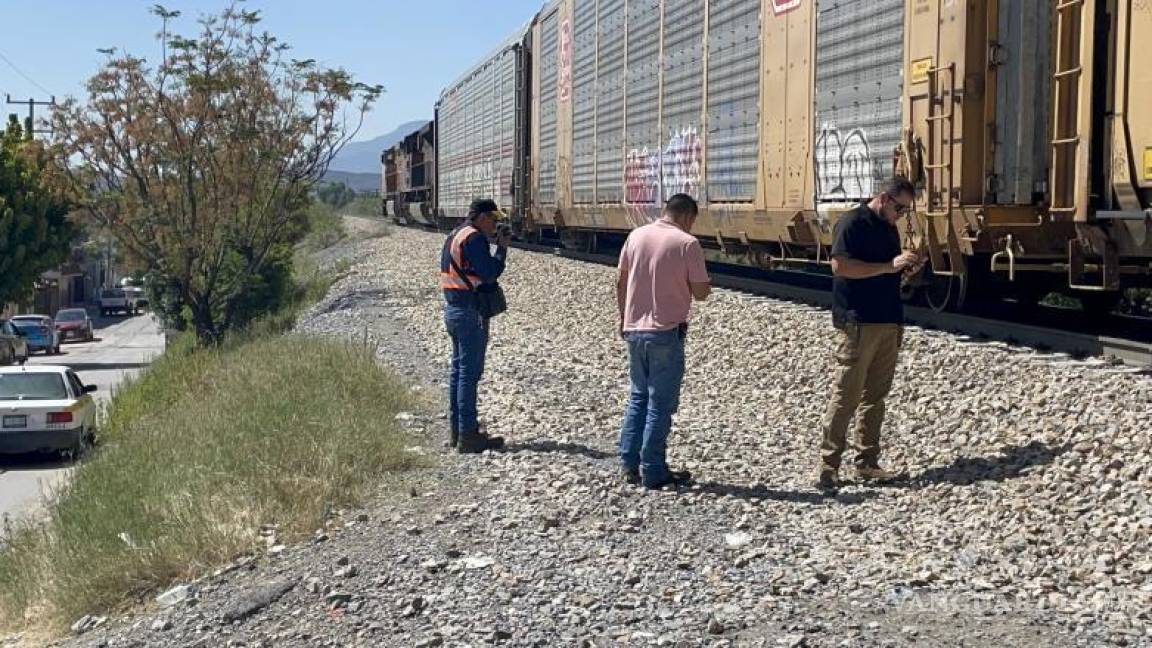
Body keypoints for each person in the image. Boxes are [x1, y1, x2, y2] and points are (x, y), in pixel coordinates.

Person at [816, 177, 923, 491]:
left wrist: (905, 270)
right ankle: (828, 465)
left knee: (875, 397)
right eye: (900, 208)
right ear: (884, 199)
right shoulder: (852, 223)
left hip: (888, 318)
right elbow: (841, 266)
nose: (902, 215)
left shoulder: (889, 229)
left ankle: (867, 462)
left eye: (906, 210)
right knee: (846, 395)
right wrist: (890, 266)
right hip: (859, 320)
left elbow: (886, 271)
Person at [616, 194, 711, 489]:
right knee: (660, 403)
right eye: (692, 221)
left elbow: (620, 280)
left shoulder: (636, 236)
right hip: (666, 332)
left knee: (637, 397)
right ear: (686, 216)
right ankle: (653, 469)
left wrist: (623, 318)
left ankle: (629, 463)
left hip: (634, 329)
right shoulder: (687, 243)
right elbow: (702, 292)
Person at [440, 198, 512, 454]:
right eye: (493, 220)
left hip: (453, 308)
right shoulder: (475, 238)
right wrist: (501, 250)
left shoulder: (454, 234)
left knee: (458, 372)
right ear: (482, 217)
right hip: (470, 311)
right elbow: (489, 272)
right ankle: (469, 435)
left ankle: (457, 430)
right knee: (469, 374)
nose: (494, 225)